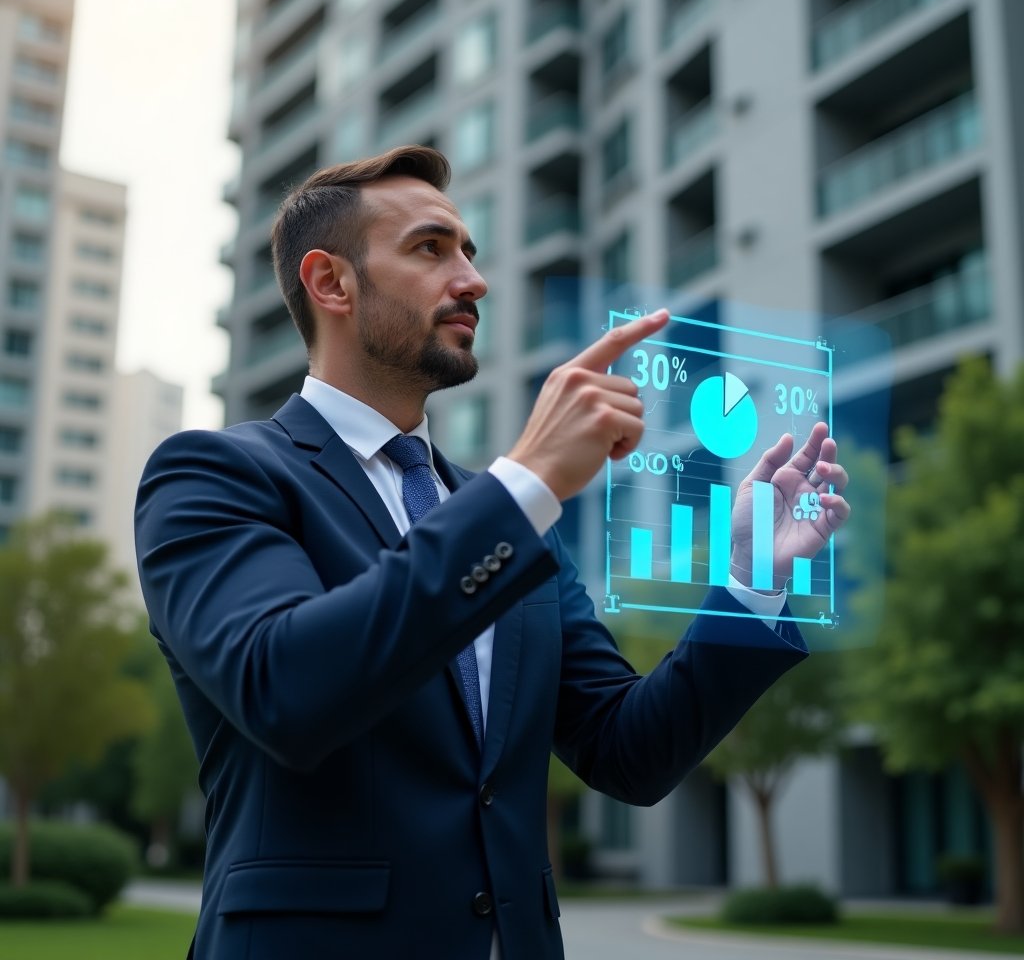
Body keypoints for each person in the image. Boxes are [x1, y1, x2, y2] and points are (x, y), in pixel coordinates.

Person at [135, 145, 849, 960]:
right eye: (430, 249)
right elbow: (283, 688)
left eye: (470, 253)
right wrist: (529, 479)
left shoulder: (509, 517)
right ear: (330, 282)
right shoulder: (215, 474)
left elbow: (630, 753)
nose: (473, 280)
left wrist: (749, 583)